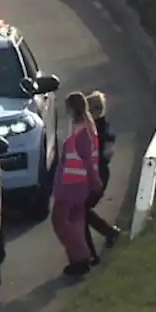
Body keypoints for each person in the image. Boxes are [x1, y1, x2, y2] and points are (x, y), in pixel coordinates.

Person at [51, 91, 103, 276]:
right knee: (75, 221)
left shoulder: (81, 130)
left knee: (60, 221)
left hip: (71, 185)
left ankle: (80, 255)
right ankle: (77, 259)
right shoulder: (85, 126)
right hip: (77, 184)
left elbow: (86, 159)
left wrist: (95, 181)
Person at [83, 91, 122, 265]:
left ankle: (90, 252)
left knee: (80, 211)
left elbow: (107, 153)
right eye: (92, 108)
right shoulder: (89, 128)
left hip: (98, 175)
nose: (95, 111)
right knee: (81, 211)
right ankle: (109, 233)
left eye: (97, 108)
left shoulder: (103, 129)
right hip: (90, 175)